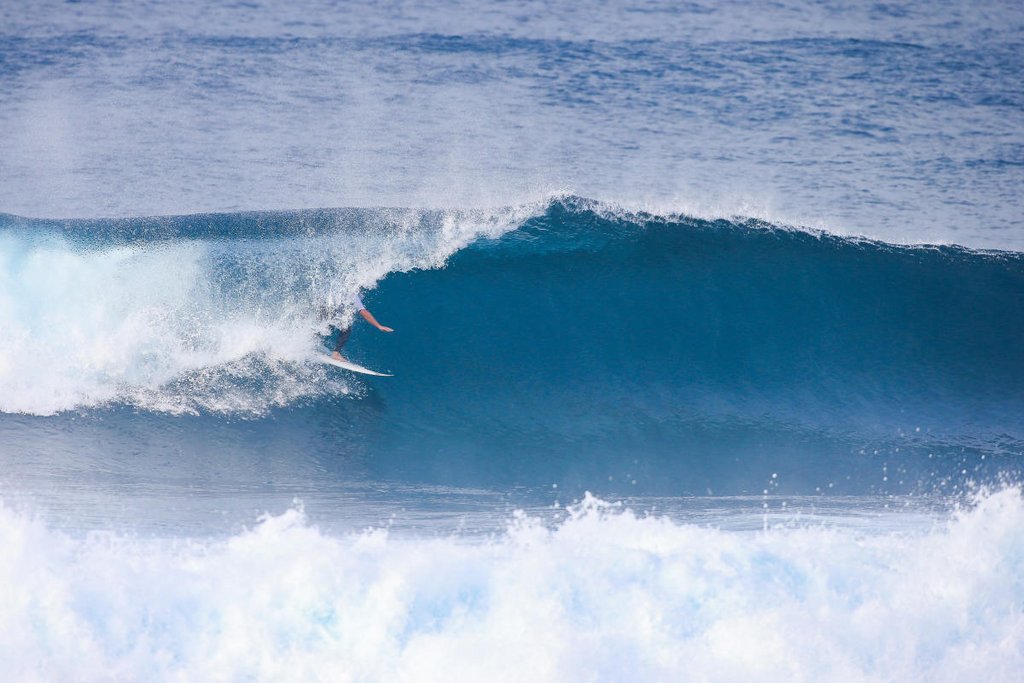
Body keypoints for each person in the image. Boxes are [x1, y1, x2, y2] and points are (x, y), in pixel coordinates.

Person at [327, 291, 394, 362]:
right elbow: (363, 312)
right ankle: (335, 354)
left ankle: (314, 340)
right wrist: (379, 326)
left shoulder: (341, 289)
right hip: (332, 312)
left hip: (323, 309)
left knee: (323, 325)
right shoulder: (353, 296)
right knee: (346, 328)